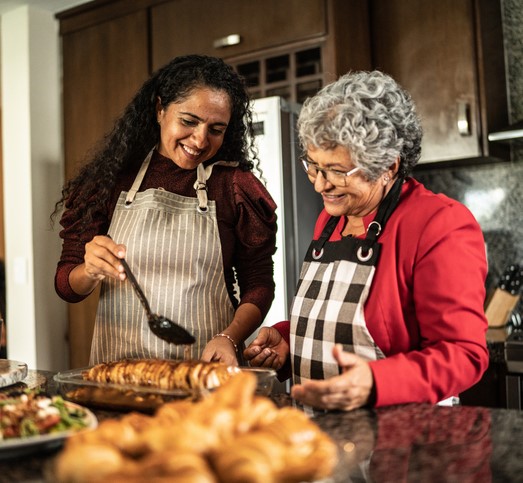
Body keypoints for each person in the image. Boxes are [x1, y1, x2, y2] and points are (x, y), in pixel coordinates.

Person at [244, 70, 489, 413]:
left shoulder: (439, 224)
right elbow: (334, 321)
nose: (320, 185)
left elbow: (464, 355)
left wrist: (376, 382)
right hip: (322, 435)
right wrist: (286, 341)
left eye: (337, 171)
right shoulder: (331, 220)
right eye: (313, 166)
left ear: (388, 166)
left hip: (402, 442)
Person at [53, 54, 277, 366]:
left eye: (216, 128)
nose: (200, 140)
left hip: (206, 368)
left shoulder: (234, 186)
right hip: (121, 371)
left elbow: (259, 282)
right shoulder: (111, 180)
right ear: (160, 109)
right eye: (188, 121)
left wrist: (230, 337)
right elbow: (67, 285)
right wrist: (90, 271)